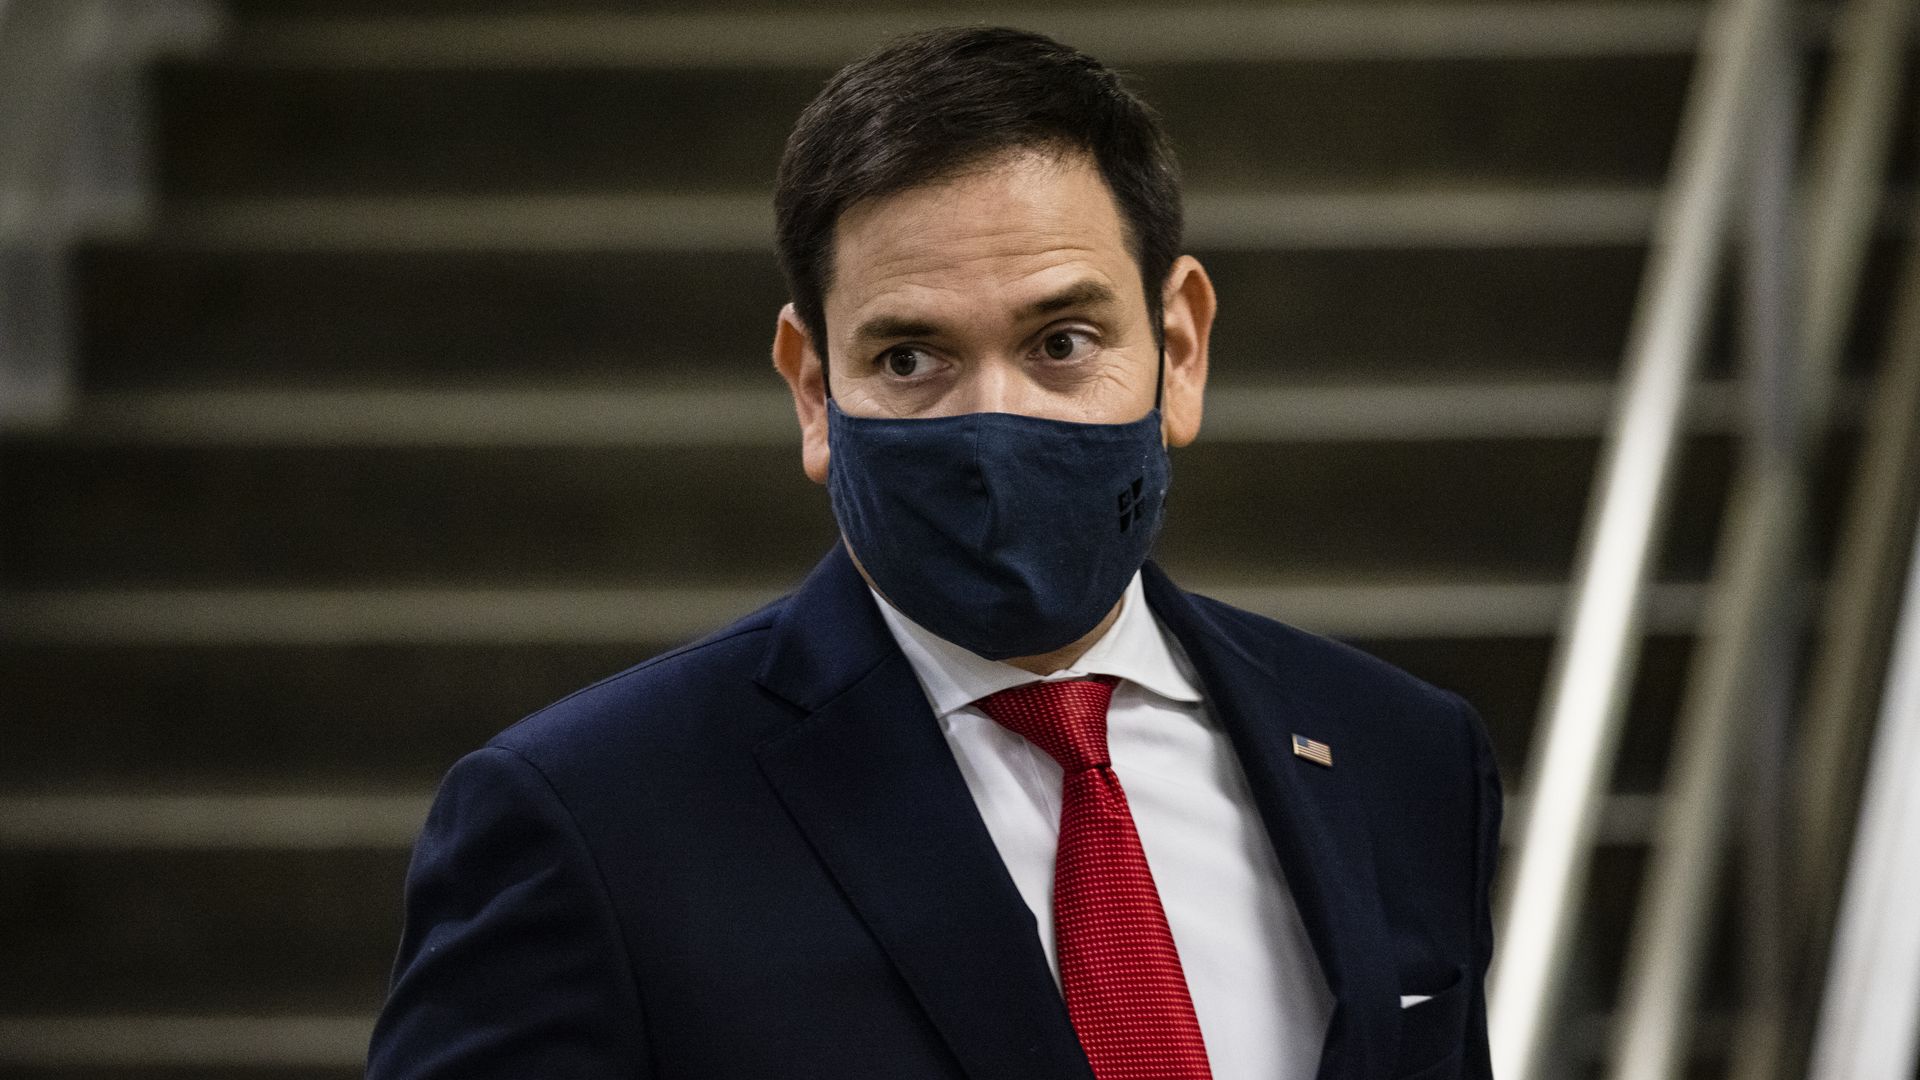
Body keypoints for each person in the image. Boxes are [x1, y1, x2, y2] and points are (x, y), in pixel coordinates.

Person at [368, 25, 1501, 1080]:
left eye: (1063, 342)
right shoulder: (590, 822)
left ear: (1181, 348)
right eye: (911, 358)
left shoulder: (1402, 757)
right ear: (814, 389)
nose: (994, 421)